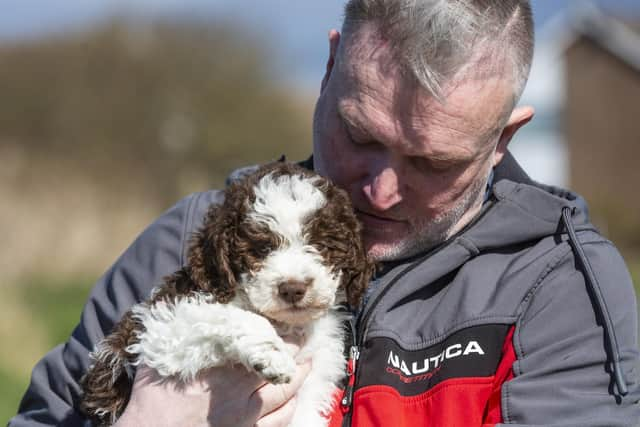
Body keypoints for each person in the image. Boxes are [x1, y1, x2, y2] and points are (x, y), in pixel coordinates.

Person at [11, 0, 640, 426]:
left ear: (503, 138)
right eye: (360, 136)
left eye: (433, 162)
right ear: (330, 66)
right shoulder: (186, 239)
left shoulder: (560, 289)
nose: (381, 190)